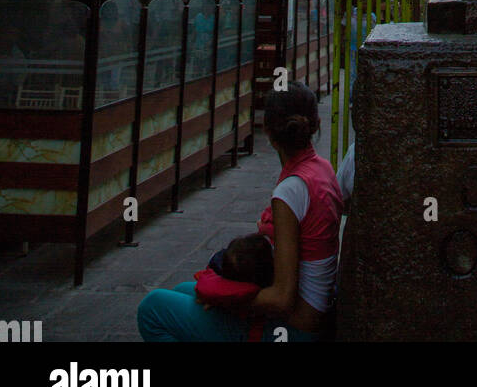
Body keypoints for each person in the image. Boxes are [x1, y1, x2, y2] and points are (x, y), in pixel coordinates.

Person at [138, 83, 342, 342]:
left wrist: (227, 301)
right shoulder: (323, 169)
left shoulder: (290, 191)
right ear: (315, 124)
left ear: (267, 130)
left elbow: (281, 298)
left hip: (295, 330)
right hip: (316, 315)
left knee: (152, 309)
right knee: (183, 290)